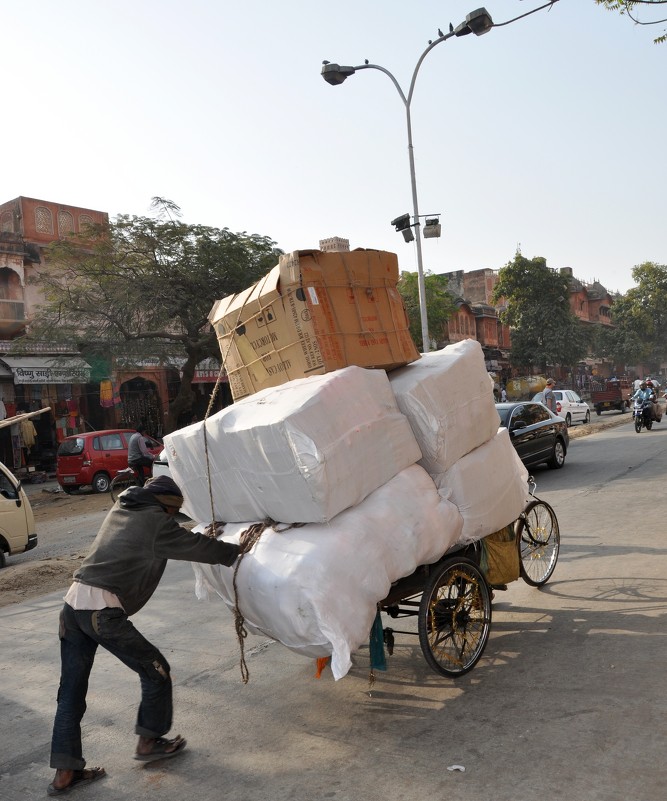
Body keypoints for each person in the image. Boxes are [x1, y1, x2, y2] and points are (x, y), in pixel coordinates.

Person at [48, 475, 241, 796]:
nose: (171, 519)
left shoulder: (123, 508)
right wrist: (238, 550)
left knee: (69, 695)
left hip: (71, 609)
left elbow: (174, 537)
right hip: (100, 612)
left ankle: (64, 775)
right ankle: (149, 741)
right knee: (156, 670)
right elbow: (199, 548)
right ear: (167, 508)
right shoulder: (156, 523)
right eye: (172, 513)